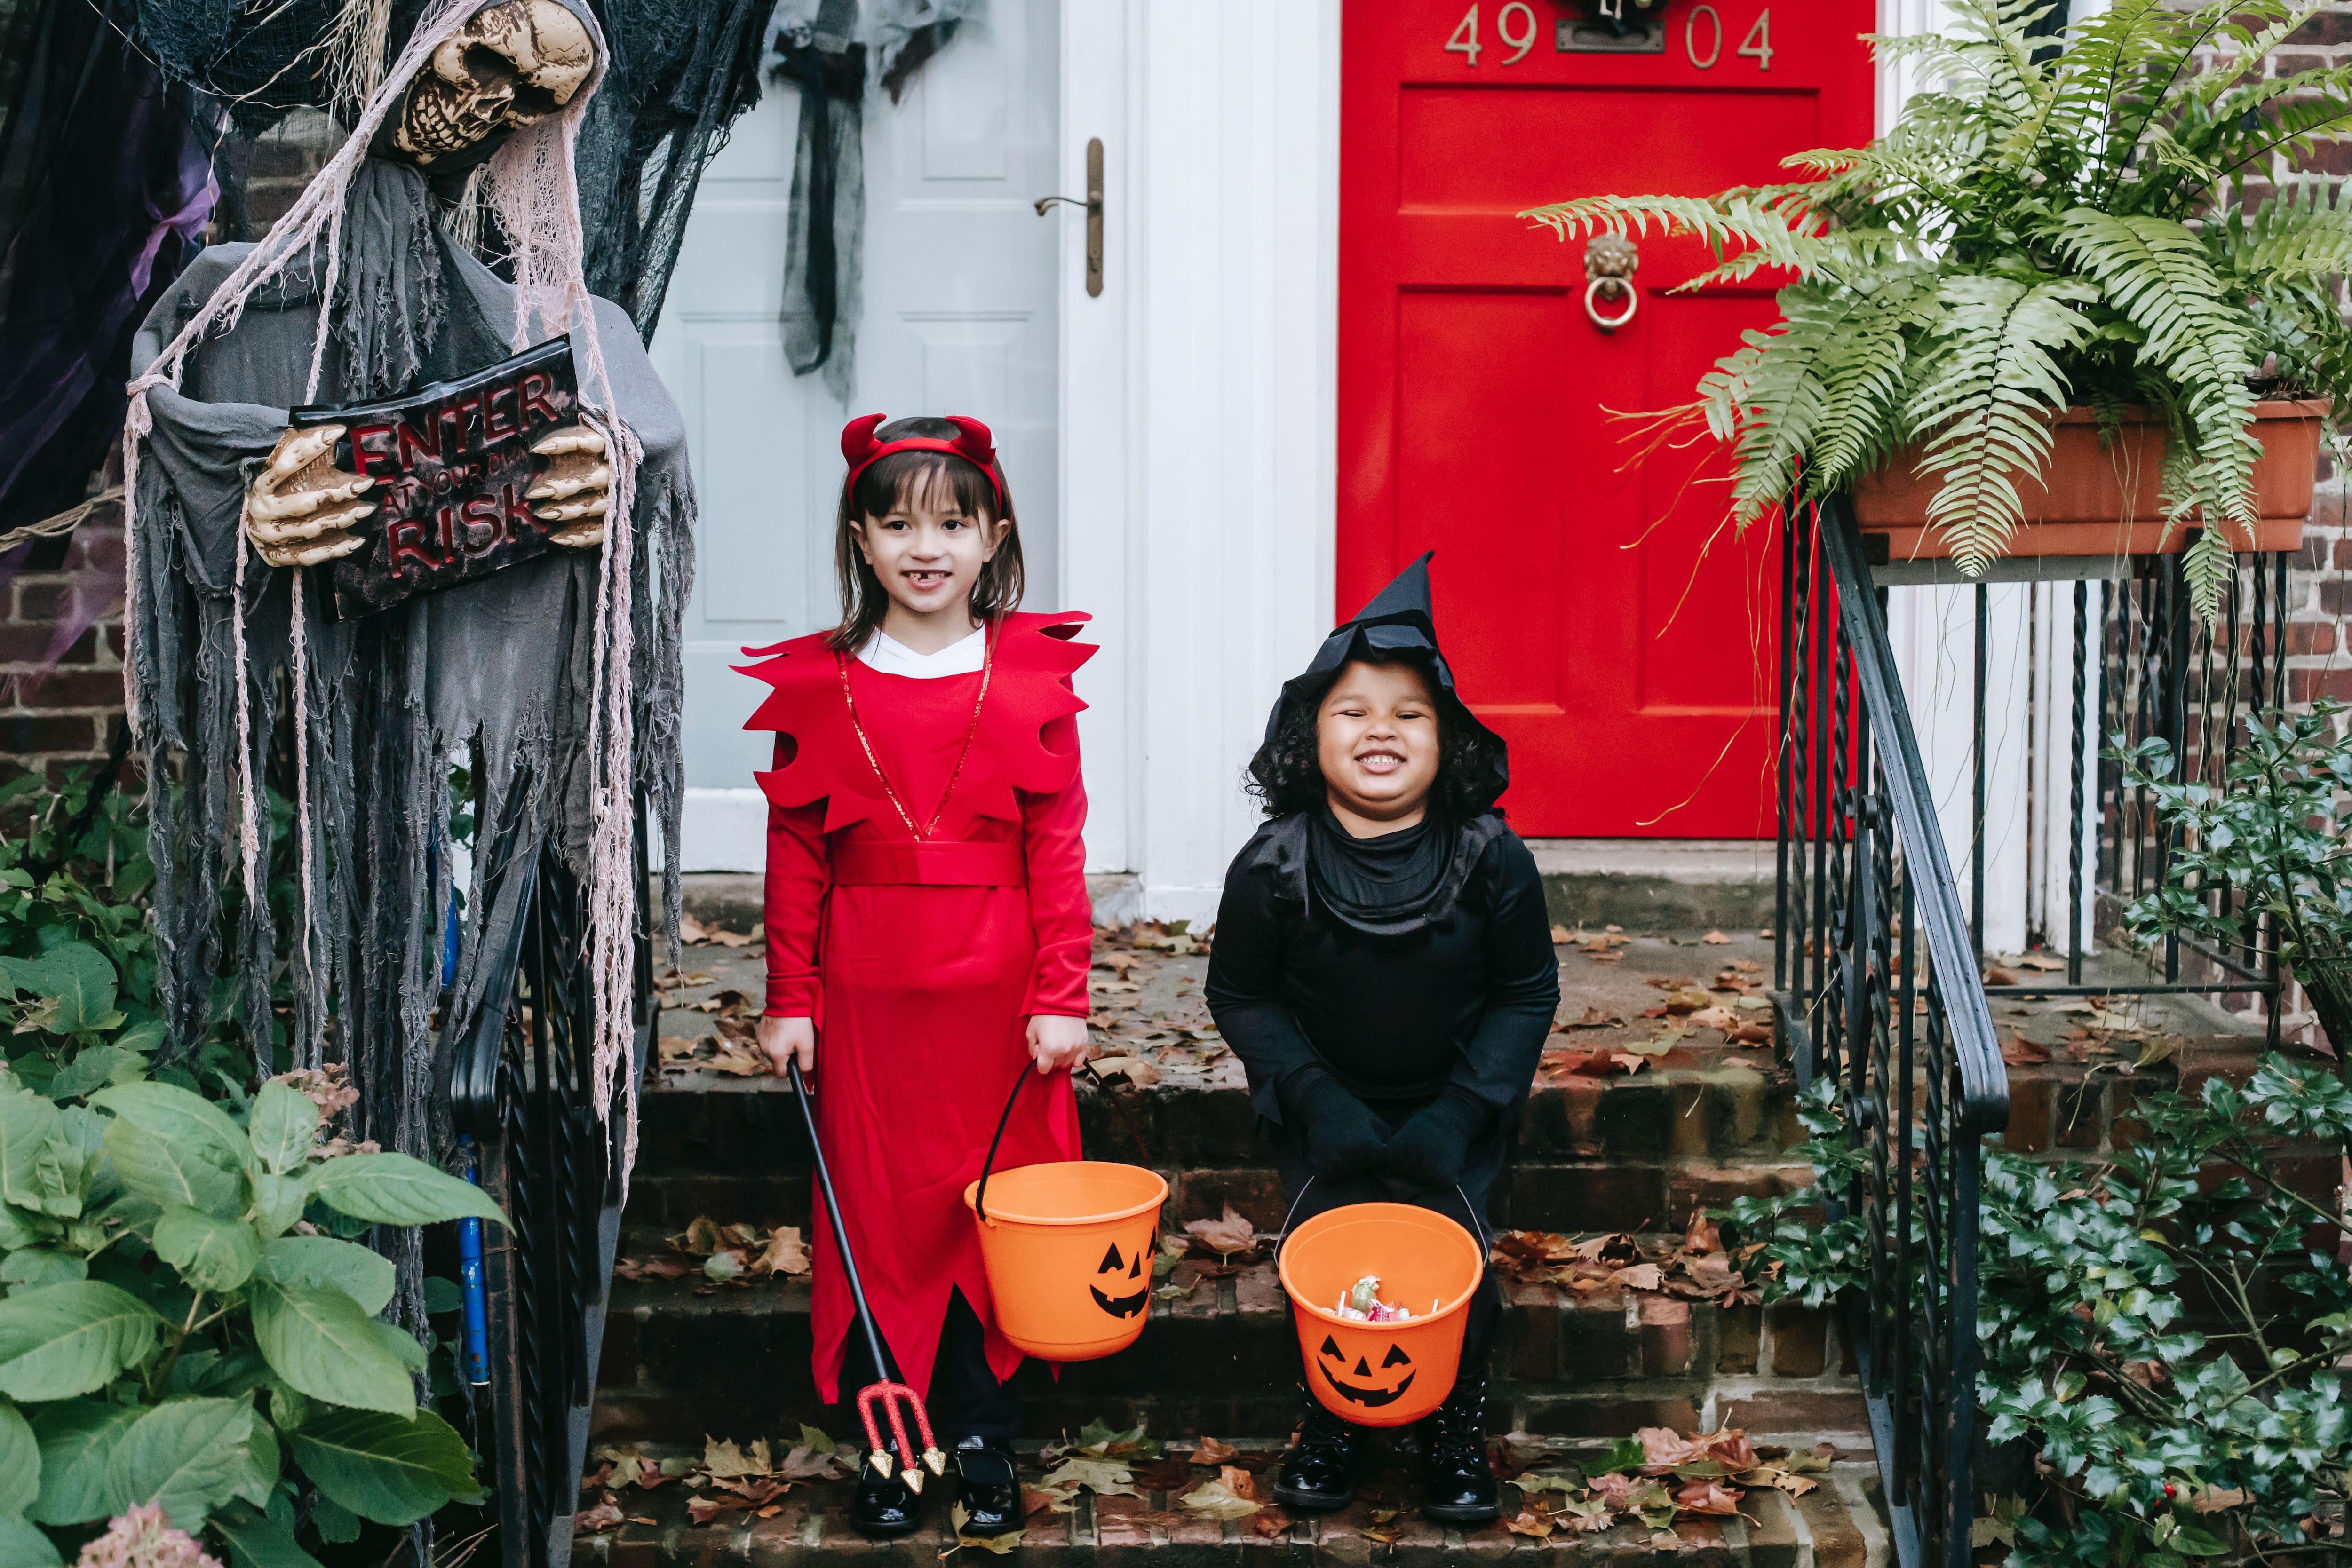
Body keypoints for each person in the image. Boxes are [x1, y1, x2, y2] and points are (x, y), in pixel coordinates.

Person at [743, 414, 1094, 1538]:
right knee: (878, 1212)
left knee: (989, 1207)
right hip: (868, 996)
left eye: (951, 523)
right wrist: (790, 995)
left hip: (998, 997)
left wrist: (1062, 991)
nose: (925, 547)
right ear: (861, 539)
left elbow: (1057, 849)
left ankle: (983, 1433)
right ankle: (893, 1441)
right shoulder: (822, 683)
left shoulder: (1028, 677)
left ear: (995, 535)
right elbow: (797, 851)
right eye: (896, 524)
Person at [1205, 553, 1558, 1525]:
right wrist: (1313, 1096)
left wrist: (1462, 1110)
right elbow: (1238, 991)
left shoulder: (1492, 857)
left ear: (1447, 738)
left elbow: (1527, 990)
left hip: (1456, 1105)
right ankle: (1333, 1421)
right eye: (1352, 710)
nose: (1380, 729)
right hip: (1323, 1108)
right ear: (1308, 734)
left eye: (1409, 713)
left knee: (1454, 1267)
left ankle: (1452, 1428)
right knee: (1329, 1259)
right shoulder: (1272, 865)